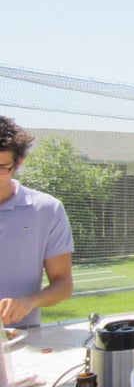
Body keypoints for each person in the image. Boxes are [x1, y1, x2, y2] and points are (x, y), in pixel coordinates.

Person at [0, 117, 74, 328]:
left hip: (21, 338)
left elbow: (63, 284)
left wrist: (29, 301)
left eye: (1, 167)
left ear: (19, 162)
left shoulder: (46, 209)